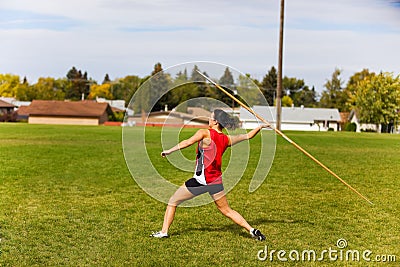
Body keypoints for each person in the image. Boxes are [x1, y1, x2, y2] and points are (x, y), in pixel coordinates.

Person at [150, 109, 269, 240]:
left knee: (173, 201)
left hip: (201, 181)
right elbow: (248, 136)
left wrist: (169, 151)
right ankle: (252, 230)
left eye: (210, 118)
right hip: (216, 182)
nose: (208, 120)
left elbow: (187, 142)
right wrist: (261, 126)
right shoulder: (226, 139)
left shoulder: (205, 133)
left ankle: (164, 232)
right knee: (227, 211)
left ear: (216, 121)